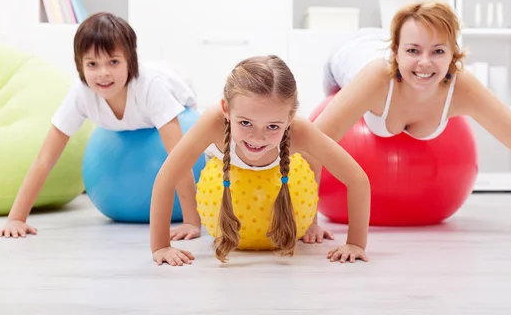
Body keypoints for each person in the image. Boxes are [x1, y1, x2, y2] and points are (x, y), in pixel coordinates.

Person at [314, 0, 511, 245]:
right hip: (351, 52)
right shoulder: (377, 77)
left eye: (438, 51)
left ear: (453, 55)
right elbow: (314, 143)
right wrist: (310, 222)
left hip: (391, 47)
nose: (425, 62)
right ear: (395, 52)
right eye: (413, 51)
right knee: (331, 117)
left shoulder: (462, 88)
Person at [149, 55, 370, 265]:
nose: (257, 137)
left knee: (311, 155)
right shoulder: (214, 122)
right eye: (245, 123)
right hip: (225, 169)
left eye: (273, 126)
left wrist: (355, 243)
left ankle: (312, 222)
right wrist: (161, 246)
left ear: (290, 118)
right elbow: (167, 178)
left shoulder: (299, 131)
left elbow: (357, 180)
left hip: (287, 168)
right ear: (226, 109)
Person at [0, 12, 202, 240]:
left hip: (177, 89)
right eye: (92, 64)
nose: (103, 73)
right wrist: (16, 218)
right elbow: (45, 159)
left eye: (113, 62)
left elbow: (180, 159)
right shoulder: (81, 93)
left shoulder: (151, 88)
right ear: (80, 67)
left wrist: (191, 222)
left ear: (129, 61)